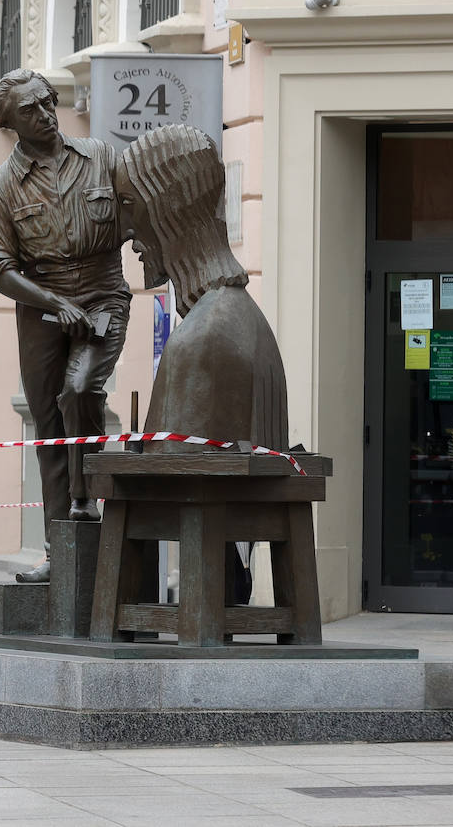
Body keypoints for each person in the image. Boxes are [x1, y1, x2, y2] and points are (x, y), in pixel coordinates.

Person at [115, 124, 291, 603]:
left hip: (214, 532)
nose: (126, 232)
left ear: (169, 207)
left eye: (130, 206)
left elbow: (171, 467)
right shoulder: (238, 316)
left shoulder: (205, 336)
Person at [0, 69, 131, 583]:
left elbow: (140, 213)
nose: (45, 114)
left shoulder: (101, 157)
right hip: (40, 305)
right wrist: (50, 300)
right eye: (31, 109)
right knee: (48, 426)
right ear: (10, 123)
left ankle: (86, 501)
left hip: (102, 291)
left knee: (81, 389)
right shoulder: (1, 187)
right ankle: (57, 549)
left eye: (48, 103)